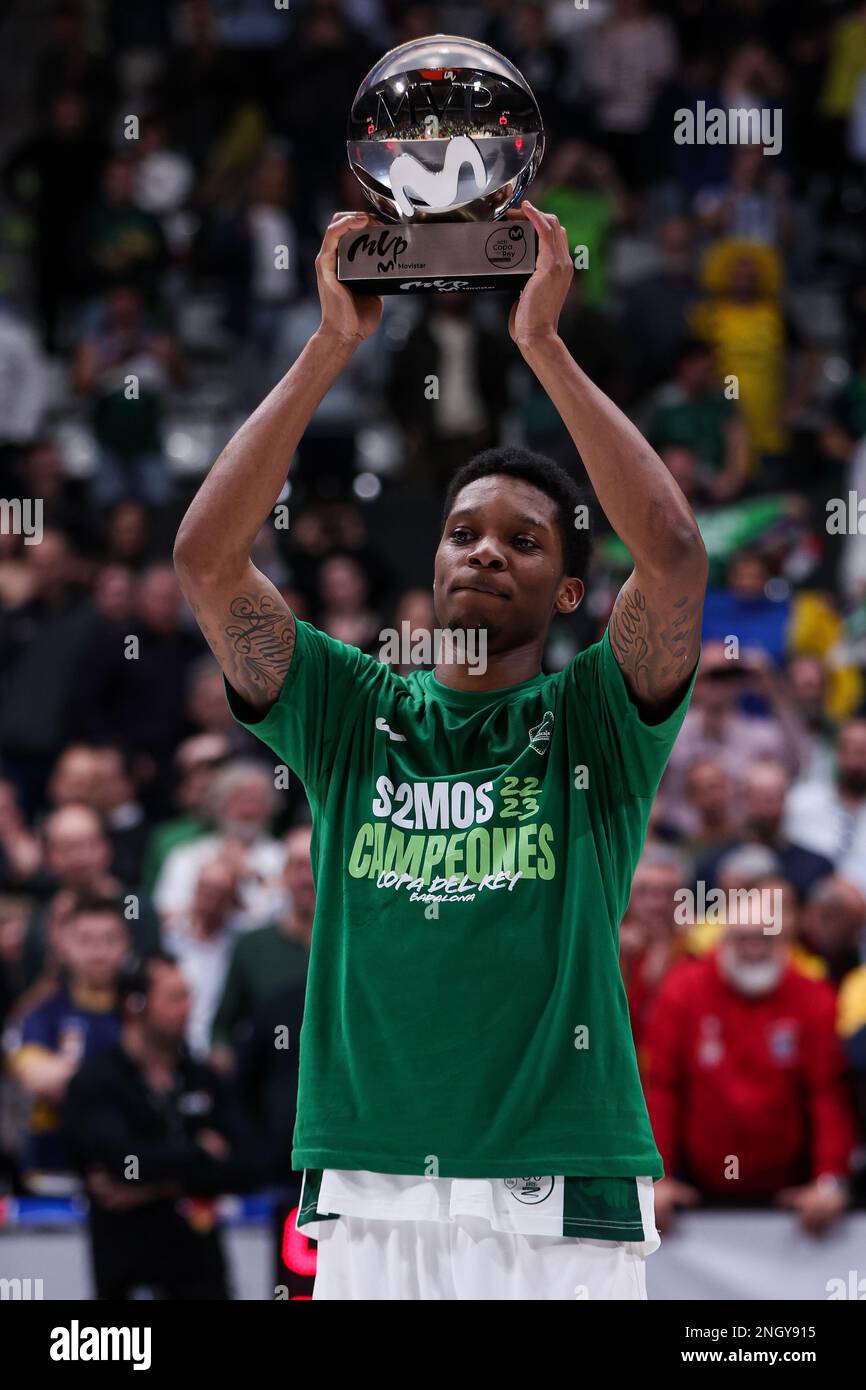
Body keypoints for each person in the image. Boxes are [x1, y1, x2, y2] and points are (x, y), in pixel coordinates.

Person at [173, 202, 709, 1302]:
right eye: (463, 530)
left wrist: (540, 344)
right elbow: (207, 559)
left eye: (521, 540)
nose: (482, 552)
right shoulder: (345, 706)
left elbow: (670, 556)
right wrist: (333, 343)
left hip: (555, 1184)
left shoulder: (591, 722)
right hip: (370, 1179)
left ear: (567, 591)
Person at [645, 893, 856, 1234]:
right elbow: (663, 1089)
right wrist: (657, 1177)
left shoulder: (814, 997)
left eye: (766, 938)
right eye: (743, 938)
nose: (754, 949)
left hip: (788, 1193)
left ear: (787, 940)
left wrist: (829, 1180)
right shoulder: (683, 990)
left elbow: (827, 1096)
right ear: (724, 938)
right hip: (696, 1191)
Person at [62, 950, 261, 1300]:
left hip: (202, 1273)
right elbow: (122, 1162)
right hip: (128, 1271)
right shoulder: (97, 1079)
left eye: (188, 996)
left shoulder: (201, 1077)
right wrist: (201, 1154)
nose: (188, 1009)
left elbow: (249, 1163)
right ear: (135, 1006)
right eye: (175, 998)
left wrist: (158, 1187)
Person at [7, 894, 128, 1192]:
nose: (98, 951)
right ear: (66, 945)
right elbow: (38, 1079)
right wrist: (126, 1083)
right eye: (86, 940)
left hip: (127, 1177)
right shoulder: (42, 1015)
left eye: (109, 940)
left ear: (125, 945)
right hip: (54, 1174)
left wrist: (71, 1074)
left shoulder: (141, 1012)